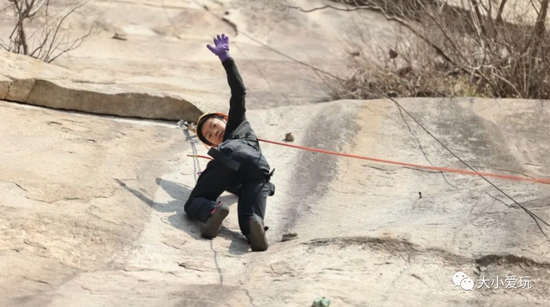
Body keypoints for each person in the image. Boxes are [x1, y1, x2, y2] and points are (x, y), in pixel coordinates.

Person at [184, 34, 275, 252]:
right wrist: (268, 187)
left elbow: (238, 93)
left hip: (231, 158)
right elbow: (237, 184)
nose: (214, 132)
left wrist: (227, 59)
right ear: (209, 143)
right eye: (209, 134)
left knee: (195, 201)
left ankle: (212, 212)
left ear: (225, 119)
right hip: (258, 168)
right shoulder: (241, 131)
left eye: (214, 126)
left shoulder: (237, 122)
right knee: (251, 208)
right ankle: (254, 229)